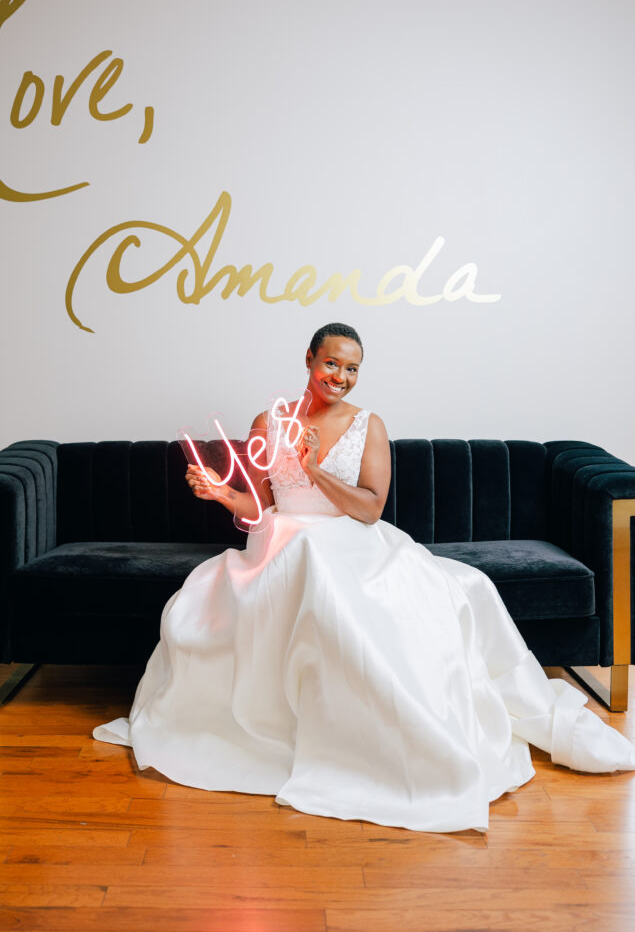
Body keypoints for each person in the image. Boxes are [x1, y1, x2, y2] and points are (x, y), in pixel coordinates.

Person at [94, 322, 635, 833]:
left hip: (352, 541)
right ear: (309, 358)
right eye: (331, 363)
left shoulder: (368, 424)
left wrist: (311, 469)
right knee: (295, 551)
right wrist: (220, 493)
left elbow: (371, 508)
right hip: (280, 543)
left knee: (436, 582)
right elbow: (259, 509)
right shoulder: (268, 422)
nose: (340, 377)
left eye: (352, 369)